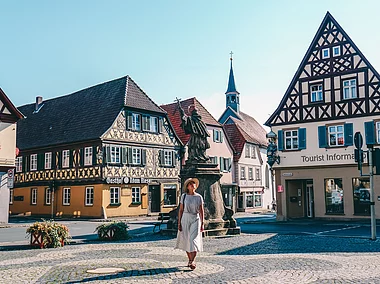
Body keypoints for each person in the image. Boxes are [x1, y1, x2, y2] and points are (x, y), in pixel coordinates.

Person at [175, 177, 205, 270]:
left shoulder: (199, 197)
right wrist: (179, 223)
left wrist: (202, 222)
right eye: (190, 183)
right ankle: (190, 260)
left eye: (194, 183)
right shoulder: (184, 196)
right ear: (187, 186)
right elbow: (180, 210)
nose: (193, 185)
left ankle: (192, 261)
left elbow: (201, 210)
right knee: (187, 240)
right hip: (185, 218)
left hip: (195, 218)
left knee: (193, 240)